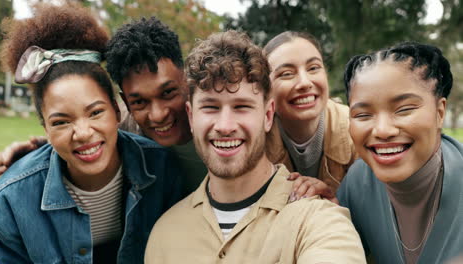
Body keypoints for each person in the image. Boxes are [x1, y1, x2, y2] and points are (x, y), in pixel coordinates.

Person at [0, 17, 334, 202]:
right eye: (139, 102)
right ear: (124, 104)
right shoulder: (126, 135)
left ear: (186, 78)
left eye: (168, 92)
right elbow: (81, 129)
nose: (157, 114)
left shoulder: (245, 119)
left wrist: (312, 185)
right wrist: (34, 151)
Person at [144, 30, 366, 264]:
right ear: (191, 117)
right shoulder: (163, 235)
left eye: (241, 106)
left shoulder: (319, 222)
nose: (225, 126)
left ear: (268, 115)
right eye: (210, 107)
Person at [0, 3, 182, 263]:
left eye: (95, 113)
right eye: (61, 122)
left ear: (118, 111)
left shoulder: (164, 170)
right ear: (44, 127)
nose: (82, 133)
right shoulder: (10, 201)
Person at [337, 42, 463, 263]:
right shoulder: (357, 184)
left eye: (404, 110)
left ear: (439, 112)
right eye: (363, 115)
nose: (383, 130)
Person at [264, 31, 356, 192]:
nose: (305, 83)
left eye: (313, 68)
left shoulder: (357, 130)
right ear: (265, 89)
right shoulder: (256, 141)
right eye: (286, 74)